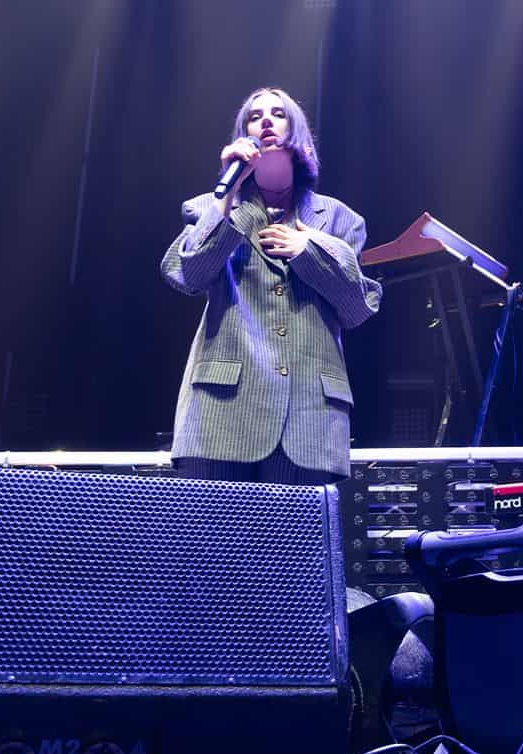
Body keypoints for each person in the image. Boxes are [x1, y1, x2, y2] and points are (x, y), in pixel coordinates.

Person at [161, 87, 381, 484]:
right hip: (220, 412)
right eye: (254, 116)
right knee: (213, 526)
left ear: (298, 132)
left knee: (296, 527)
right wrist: (231, 198)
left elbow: (356, 308)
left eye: (278, 114)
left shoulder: (340, 220)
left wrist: (307, 250)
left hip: (309, 420)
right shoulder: (210, 207)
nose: (265, 120)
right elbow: (188, 274)